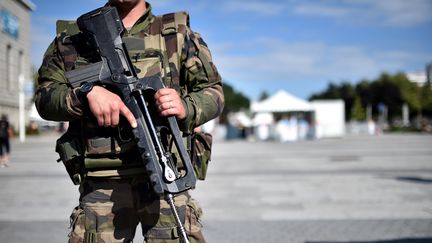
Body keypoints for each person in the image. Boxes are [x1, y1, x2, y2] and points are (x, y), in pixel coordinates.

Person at [35, 0, 224, 242]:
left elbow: (213, 91)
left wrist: (185, 106)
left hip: (167, 177)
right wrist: (86, 94)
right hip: (103, 184)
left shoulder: (177, 34)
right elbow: (44, 97)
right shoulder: (72, 39)